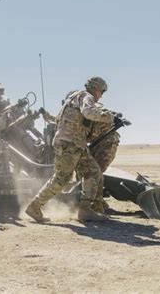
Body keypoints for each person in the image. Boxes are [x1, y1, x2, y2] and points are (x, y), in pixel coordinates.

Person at [26, 76, 119, 222]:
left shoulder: (72, 99)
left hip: (76, 145)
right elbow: (89, 112)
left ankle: (85, 210)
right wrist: (109, 117)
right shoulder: (86, 96)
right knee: (61, 178)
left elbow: (58, 120)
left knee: (94, 172)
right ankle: (35, 206)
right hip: (70, 144)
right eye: (102, 92)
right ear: (95, 88)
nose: (101, 95)